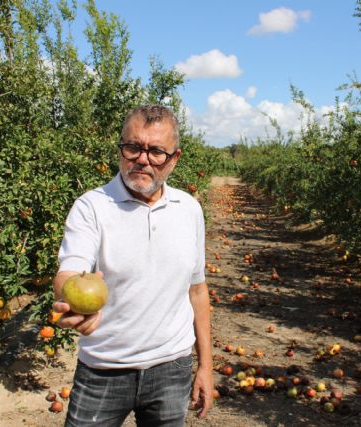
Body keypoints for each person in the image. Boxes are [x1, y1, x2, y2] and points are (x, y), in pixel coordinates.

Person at [52, 105, 213, 426]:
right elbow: (69, 270)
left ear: (174, 158)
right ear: (120, 149)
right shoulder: (92, 207)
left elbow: (197, 290)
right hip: (103, 368)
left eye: (156, 152)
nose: (142, 159)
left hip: (172, 367)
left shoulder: (189, 209)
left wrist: (205, 366)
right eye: (133, 147)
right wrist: (74, 305)